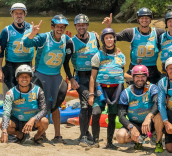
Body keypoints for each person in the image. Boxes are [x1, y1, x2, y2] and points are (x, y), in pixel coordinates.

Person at [26, 15, 76, 142]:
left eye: (62, 27)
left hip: (56, 77)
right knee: (40, 106)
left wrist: (96, 38)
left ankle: (58, 135)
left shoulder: (67, 40)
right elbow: (26, 43)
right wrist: (32, 34)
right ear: (52, 27)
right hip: (40, 76)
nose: (60, 29)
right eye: (58, 27)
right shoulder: (44, 37)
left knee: (55, 106)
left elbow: (73, 56)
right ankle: (41, 132)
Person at [90, 28, 128, 148]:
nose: (109, 40)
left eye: (111, 37)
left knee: (112, 116)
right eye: (106, 38)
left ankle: (109, 143)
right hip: (101, 88)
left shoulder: (120, 55)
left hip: (116, 89)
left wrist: (137, 76)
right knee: (96, 113)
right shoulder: (98, 55)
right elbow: (93, 76)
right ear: (103, 40)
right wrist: (91, 94)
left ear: (114, 39)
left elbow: (123, 73)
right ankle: (95, 140)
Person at [113, 64, 161, 150]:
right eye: (137, 77)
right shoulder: (126, 93)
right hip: (135, 123)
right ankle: (139, 139)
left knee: (159, 111)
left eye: (143, 76)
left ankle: (158, 140)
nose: (140, 79)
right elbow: (121, 116)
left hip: (150, 123)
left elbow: (157, 103)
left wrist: (149, 117)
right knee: (120, 137)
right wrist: (131, 127)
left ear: (147, 76)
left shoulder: (152, 88)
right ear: (133, 77)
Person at [0, 64, 49, 144]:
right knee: (3, 125)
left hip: (33, 121)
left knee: (45, 121)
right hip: (17, 121)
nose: (24, 79)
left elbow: (44, 110)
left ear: (31, 78)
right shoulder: (10, 92)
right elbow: (6, 112)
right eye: (22, 76)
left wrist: (33, 119)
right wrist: (4, 131)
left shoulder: (38, 90)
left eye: (27, 76)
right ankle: (20, 135)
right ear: (17, 78)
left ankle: (37, 136)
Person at [70, 14, 100, 145]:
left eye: (83, 25)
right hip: (80, 77)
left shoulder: (95, 37)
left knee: (91, 106)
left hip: (95, 76)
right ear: (75, 26)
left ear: (87, 25)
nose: (81, 27)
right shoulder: (71, 42)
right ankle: (83, 136)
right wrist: (71, 78)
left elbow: (102, 53)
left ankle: (86, 132)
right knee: (85, 103)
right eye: (78, 25)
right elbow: (66, 62)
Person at [0, 2, 39, 90]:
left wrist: (37, 65)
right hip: (11, 66)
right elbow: (0, 52)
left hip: (28, 65)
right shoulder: (6, 31)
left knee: (28, 92)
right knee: (10, 92)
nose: (19, 16)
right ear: (12, 15)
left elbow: (40, 48)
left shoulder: (32, 29)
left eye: (21, 13)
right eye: (16, 13)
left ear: (25, 14)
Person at [110, 7, 161, 82]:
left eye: (147, 18)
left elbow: (171, 38)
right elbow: (112, 38)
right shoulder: (131, 32)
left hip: (152, 69)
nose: (144, 20)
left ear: (150, 19)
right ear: (138, 19)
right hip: (135, 68)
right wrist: (108, 26)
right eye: (142, 18)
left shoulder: (158, 32)